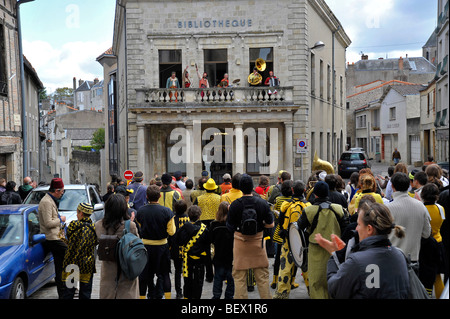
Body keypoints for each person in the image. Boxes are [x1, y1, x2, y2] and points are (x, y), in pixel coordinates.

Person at [316, 202, 410, 299]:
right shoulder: (400, 255)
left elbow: (335, 290)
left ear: (369, 229)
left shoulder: (356, 261)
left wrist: (335, 255)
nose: (356, 229)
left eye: (359, 224)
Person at [226, 174, 274, 299]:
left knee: (239, 277)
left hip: (240, 243)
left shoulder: (235, 205)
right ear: (252, 187)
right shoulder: (262, 203)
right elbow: (271, 224)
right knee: (262, 277)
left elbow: (229, 227)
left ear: (240, 188)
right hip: (258, 243)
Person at [297, 181, 346, 299]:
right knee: (333, 282)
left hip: (315, 251)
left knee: (316, 283)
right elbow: (345, 229)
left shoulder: (309, 211)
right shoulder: (338, 209)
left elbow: (299, 227)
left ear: (316, 195)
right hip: (335, 251)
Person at [95, 194, 140, 299]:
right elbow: (137, 245)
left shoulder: (98, 225)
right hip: (127, 270)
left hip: (108, 271)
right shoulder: (130, 226)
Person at [136, 185, 175, 299]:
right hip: (162, 246)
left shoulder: (141, 211)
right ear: (159, 196)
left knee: (144, 276)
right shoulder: (167, 211)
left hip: (145, 247)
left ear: (147, 196)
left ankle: (142, 297)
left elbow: (139, 227)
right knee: (164, 274)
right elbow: (172, 232)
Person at [273, 180, 311, 299]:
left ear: (292, 190)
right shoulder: (308, 206)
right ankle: (313, 291)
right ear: (304, 190)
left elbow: (280, 221)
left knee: (285, 267)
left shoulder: (286, 204)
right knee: (307, 267)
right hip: (304, 242)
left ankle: (282, 293)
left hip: (288, 240)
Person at [386, 173, 431, 265]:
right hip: (413, 259)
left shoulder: (387, 209)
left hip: (393, 258)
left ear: (392, 186)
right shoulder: (420, 206)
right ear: (409, 185)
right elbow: (427, 234)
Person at [38, 177, 67, 298]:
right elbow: (48, 223)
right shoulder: (46, 202)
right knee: (70, 257)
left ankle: (65, 291)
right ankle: (67, 289)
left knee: (60, 266)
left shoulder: (50, 200)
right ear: (56, 190)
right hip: (52, 238)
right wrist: (60, 219)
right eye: (62, 191)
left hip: (56, 237)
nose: (62, 194)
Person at [62, 203, 97, 299]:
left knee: (68, 292)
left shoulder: (73, 225)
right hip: (87, 264)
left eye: (77, 212)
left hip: (72, 263)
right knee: (85, 292)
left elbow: (67, 236)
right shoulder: (94, 228)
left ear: (81, 213)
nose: (76, 215)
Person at [177, 205, 211, 299]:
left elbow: (178, 242)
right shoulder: (205, 229)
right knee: (198, 282)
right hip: (200, 259)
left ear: (188, 215)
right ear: (199, 215)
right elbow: (207, 247)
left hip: (187, 259)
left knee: (187, 281)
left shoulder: (184, 227)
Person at [419, 183, 446, 298]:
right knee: (438, 276)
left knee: (425, 277)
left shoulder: (421, 209)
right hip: (439, 242)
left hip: (425, 244)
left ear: (423, 195)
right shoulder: (440, 208)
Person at [271, 180, 293, 289]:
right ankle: (291, 281)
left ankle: (274, 280)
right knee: (291, 258)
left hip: (279, 232)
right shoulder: (293, 201)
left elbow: (274, 212)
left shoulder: (278, 199)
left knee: (277, 258)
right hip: (291, 233)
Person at [209, 201, 234, 299]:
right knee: (231, 278)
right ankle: (229, 296)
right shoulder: (232, 225)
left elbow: (210, 240)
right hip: (231, 255)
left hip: (218, 255)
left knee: (218, 278)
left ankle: (216, 295)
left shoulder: (214, 225)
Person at [169, 199, 190, 299]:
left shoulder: (172, 219)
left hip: (175, 248)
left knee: (177, 271)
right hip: (187, 248)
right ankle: (187, 290)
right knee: (187, 270)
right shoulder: (189, 219)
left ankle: (178, 292)